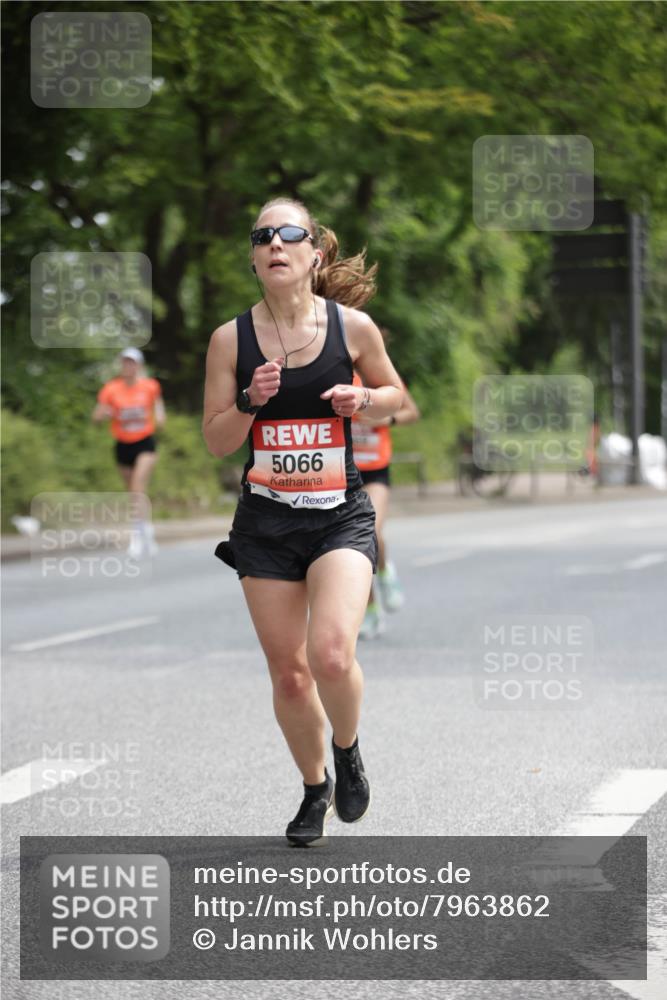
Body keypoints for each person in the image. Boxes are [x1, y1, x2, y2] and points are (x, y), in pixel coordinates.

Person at [203, 198, 402, 846]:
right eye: (261, 236)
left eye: (289, 234)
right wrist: (247, 400)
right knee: (290, 673)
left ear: (314, 252)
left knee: (331, 655)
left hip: (339, 514)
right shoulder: (230, 340)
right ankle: (315, 787)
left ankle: (347, 750)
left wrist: (364, 399)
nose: (274, 243)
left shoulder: (353, 329)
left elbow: (396, 397)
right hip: (264, 523)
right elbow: (215, 440)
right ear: (255, 259)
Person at [351, 367, 420, 639]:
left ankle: (385, 571)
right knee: (355, 543)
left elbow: (412, 412)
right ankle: (369, 609)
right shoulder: (335, 373)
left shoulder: (384, 378)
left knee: (371, 530)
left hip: (375, 469)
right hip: (342, 471)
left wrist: (384, 421)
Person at [92, 347, 165, 557]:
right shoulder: (111, 389)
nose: (128, 366)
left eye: (132, 362)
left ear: (139, 365)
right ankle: (147, 530)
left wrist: (160, 418)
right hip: (122, 445)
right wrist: (103, 414)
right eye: (125, 362)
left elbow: (159, 410)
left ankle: (136, 537)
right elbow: (96, 417)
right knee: (133, 493)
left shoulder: (150, 386)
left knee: (137, 486)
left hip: (145, 443)